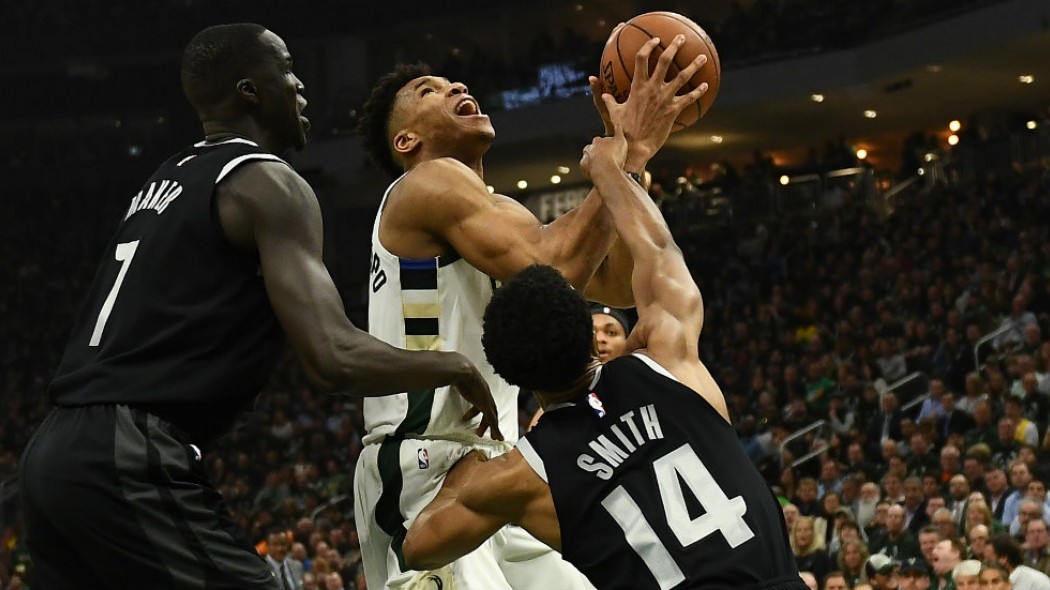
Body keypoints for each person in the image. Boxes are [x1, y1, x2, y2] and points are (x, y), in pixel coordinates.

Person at [17, 23, 499, 590]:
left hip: (50, 455)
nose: (300, 85)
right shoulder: (267, 183)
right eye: (287, 69)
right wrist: (453, 365)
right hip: (125, 452)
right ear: (250, 91)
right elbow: (332, 357)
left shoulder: (164, 180)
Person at [399, 87, 805, 590]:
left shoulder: (521, 477)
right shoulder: (666, 358)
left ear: (511, 375)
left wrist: (469, 462)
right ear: (591, 336)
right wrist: (620, 161)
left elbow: (418, 545)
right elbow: (657, 248)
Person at [353, 30, 709, 590]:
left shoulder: (497, 212)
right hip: (422, 469)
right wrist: (624, 152)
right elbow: (555, 269)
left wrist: (627, 155)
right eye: (430, 90)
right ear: (406, 140)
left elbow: (613, 280)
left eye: (453, 82)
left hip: (493, 466)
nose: (456, 86)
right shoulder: (424, 183)